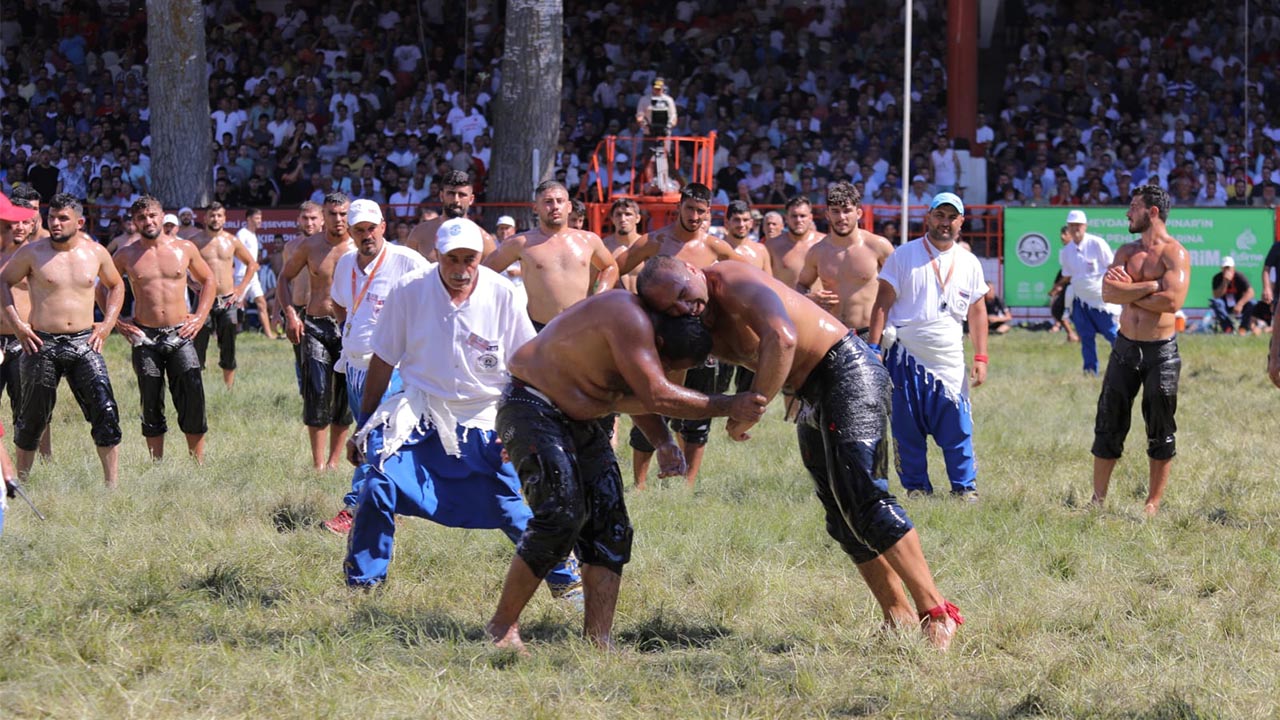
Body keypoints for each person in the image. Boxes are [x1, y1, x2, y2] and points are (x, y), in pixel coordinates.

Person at [634, 256, 964, 650]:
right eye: (670, 307)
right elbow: (666, 389)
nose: (685, 309)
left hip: (846, 367)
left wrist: (752, 407)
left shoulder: (728, 278)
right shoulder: (686, 322)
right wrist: (667, 440)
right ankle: (898, 615)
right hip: (809, 389)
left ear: (691, 270)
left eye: (683, 296)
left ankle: (938, 612)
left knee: (864, 497)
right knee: (840, 514)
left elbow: (782, 336)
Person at [485, 287, 768, 653]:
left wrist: (664, 442)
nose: (671, 374)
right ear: (661, 342)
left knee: (611, 524)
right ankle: (501, 627)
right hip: (532, 404)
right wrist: (730, 403)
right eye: (671, 367)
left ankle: (598, 640)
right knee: (561, 515)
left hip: (580, 417)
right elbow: (656, 395)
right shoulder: (627, 318)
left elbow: (639, 395)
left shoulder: (648, 339)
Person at [344, 218, 582, 603]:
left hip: (486, 416)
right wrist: (365, 425)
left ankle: (565, 580)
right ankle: (364, 584)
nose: (460, 269)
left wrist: (528, 429)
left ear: (481, 258)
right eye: (451, 259)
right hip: (419, 411)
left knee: (515, 508)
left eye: (469, 260)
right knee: (377, 482)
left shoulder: (503, 293)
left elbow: (528, 365)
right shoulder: (409, 291)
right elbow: (383, 361)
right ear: (436, 255)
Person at [615, 183, 743, 487]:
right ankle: (640, 484)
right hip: (661, 341)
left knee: (699, 409)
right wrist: (629, 304)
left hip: (703, 340)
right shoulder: (656, 241)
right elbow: (613, 268)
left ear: (709, 212)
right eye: (690, 208)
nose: (695, 216)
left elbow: (746, 282)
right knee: (654, 406)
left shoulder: (716, 247)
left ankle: (688, 484)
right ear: (679, 207)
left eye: (701, 211)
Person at [868, 193, 990, 500]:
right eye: (940, 215)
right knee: (906, 426)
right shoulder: (904, 255)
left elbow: (977, 312)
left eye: (952, 217)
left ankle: (964, 489)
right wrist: (873, 348)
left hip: (948, 356)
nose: (945, 223)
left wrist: (981, 356)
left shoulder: (969, 262)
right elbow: (882, 303)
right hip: (904, 354)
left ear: (961, 221)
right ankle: (917, 489)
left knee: (957, 425)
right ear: (928, 216)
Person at [0, 193, 125, 487]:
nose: (55, 223)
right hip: (41, 343)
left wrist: (107, 326)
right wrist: (18, 324)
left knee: (105, 410)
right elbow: (3, 281)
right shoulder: (32, 252)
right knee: (31, 417)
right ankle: (23, 484)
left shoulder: (95, 252)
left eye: (63, 218)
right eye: (52, 217)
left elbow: (117, 285)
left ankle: (112, 486)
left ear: (79, 222)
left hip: (84, 342)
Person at [321, 199, 429, 534]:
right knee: (369, 434)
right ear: (350, 233)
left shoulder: (406, 260)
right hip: (353, 365)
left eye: (372, 228)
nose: (367, 235)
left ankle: (355, 508)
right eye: (359, 230)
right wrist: (353, 332)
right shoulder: (345, 264)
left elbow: (435, 297)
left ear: (383, 226)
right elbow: (339, 304)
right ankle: (389, 502)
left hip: (390, 367)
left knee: (373, 436)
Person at [1090, 185, 1190, 516]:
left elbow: (1172, 302)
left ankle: (1152, 503)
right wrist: (1148, 286)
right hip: (1125, 347)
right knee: (1109, 419)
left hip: (1160, 351)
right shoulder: (1126, 251)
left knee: (1160, 424)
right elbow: (1108, 292)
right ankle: (1098, 499)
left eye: (1133, 206)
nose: (1127, 213)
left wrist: (1127, 290)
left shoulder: (1175, 254)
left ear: (1153, 212)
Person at [111, 197, 216, 462]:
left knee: (192, 396)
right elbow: (104, 287)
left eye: (152, 215)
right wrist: (118, 321)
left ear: (162, 216)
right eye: (142, 217)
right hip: (145, 336)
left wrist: (200, 316)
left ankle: (197, 464)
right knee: (150, 398)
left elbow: (208, 280)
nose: (148, 221)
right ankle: (156, 464)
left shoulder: (184, 248)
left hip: (180, 332)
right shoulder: (126, 254)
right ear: (134, 222)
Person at [279, 192, 356, 471]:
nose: (338, 219)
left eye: (343, 214)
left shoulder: (360, 246)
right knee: (317, 391)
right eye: (332, 214)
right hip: (315, 323)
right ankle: (318, 464)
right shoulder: (310, 246)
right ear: (324, 215)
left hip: (350, 328)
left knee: (344, 395)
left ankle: (335, 461)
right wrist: (290, 313)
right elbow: (284, 278)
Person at [483, 180, 618, 330]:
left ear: (569, 206)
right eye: (548, 202)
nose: (555, 207)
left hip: (581, 326)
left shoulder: (589, 240)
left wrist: (599, 296)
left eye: (560, 201)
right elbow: (483, 273)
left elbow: (610, 266)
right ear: (535, 208)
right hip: (539, 328)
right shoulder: (520, 243)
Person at [796, 181, 895, 336]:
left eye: (847, 210)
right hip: (834, 334)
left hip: (870, 333)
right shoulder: (817, 252)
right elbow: (802, 284)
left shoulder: (878, 246)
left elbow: (901, 286)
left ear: (859, 213)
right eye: (835, 211)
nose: (841, 217)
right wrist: (809, 297)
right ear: (827, 214)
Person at [0, 193, 52, 459]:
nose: (18, 228)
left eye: (22, 223)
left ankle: (43, 460)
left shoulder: (36, 256)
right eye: (11, 224)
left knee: (31, 406)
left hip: (26, 340)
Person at [191, 202, 259, 389]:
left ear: (225, 218)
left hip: (228, 299)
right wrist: (191, 283)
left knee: (228, 343)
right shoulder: (195, 241)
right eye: (212, 216)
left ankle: (228, 389)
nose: (215, 219)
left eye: (219, 215)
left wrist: (240, 289)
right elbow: (180, 267)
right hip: (204, 298)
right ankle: (196, 386)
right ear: (205, 218)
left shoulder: (231, 241)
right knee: (198, 341)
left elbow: (252, 264)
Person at [1060, 210, 1120, 374]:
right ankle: (1090, 370)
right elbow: (1068, 275)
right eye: (1072, 226)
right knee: (1086, 336)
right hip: (1080, 300)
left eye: (1078, 225)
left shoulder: (1096, 243)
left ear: (1085, 226)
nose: (1075, 229)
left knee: (1112, 334)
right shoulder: (1066, 252)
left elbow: (1111, 266)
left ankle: (1126, 365)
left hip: (1101, 299)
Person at [403, 170, 496, 262]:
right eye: (451, 194)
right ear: (441, 196)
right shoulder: (420, 233)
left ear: (471, 199)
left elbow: (490, 276)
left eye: (462, 195)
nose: (456, 200)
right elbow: (406, 271)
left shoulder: (484, 240)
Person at [279, 202, 323, 393]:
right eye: (305, 218)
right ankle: (307, 399)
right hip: (297, 309)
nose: (309, 222)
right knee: (301, 359)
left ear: (322, 219)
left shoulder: (331, 246)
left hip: (322, 310)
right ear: (298, 220)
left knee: (323, 360)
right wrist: (277, 313)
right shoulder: (291, 246)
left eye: (313, 218)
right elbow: (284, 281)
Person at [235, 208, 277, 339]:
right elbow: (237, 251)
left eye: (260, 218)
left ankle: (269, 334)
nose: (260, 221)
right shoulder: (242, 233)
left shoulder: (253, 235)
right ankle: (234, 331)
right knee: (235, 305)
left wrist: (254, 264)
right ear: (248, 219)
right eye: (257, 218)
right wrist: (251, 263)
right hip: (242, 275)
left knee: (262, 303)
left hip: (253, 276)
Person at [764, 196, 823, 288]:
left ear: (810, 218)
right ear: (786, 218)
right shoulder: (772, 246)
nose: (798, 220)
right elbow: (765, 282)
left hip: (817, 302)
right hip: (786, 301)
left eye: (802, 216)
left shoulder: (824, 243)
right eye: (794, 216)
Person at [601, 198, 645, 292]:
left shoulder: (647, 245)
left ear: (638, 218)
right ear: (612, 219)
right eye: (618, 215)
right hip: (614, 303)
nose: (622, 219)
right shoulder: (604, 246)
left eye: (628, 214)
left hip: (642, 303)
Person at [1047, 226, 1080, 341]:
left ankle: (1075, 334)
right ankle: (1072, 334)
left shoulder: (1077, 248)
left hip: (1076, 283)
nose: (1062, 236)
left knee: (1068, 310)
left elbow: (1071, 272)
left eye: (1065, 234)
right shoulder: (1067, 250)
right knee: (1058, 309)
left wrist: (1058, 285)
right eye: (1062, 234)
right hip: (1068, 281)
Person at [1209, 256, 1257, 334]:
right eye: (1225, 268)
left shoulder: (1239, 276)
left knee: (1252, 303)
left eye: (1229, 268)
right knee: (1216, 303)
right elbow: (1216, 296)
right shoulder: (1217, 278)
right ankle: (1228, 328)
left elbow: (1250, 292)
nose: (1227, 270)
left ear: (1233, 268)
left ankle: (1243, 328)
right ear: (1221, 268)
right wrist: (1225, 282)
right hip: (1225, 305)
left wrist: (1240, 304)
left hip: (1239, 303)